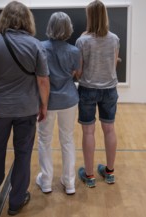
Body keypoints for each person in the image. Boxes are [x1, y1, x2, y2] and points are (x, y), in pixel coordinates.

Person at [0, 1, 50, 216]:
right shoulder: (36, 45)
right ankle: (16, 201)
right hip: (26, 110)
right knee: (23, 154)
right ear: (27, 20)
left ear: (4, 19)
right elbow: (43, 81)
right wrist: (43, 105)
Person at [75, 0, 120, 188]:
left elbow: (78, 71)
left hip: (87, 90)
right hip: (109, 89)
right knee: (109, 129)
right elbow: (114, 64)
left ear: (90, 17)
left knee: (88, 131)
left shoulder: (82, 41)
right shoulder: (114, 38)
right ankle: (109, 173)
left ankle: (90, 175)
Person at [36, 12, 81, 195]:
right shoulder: (74, 51)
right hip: (69, 100)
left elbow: (38, 76)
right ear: (69, 28)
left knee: (44, 140)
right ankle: (69, 182)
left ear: (50, 27)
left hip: (46, 101)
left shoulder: (40, 47)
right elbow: (77, 73)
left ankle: (46, 181)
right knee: (67, 140)